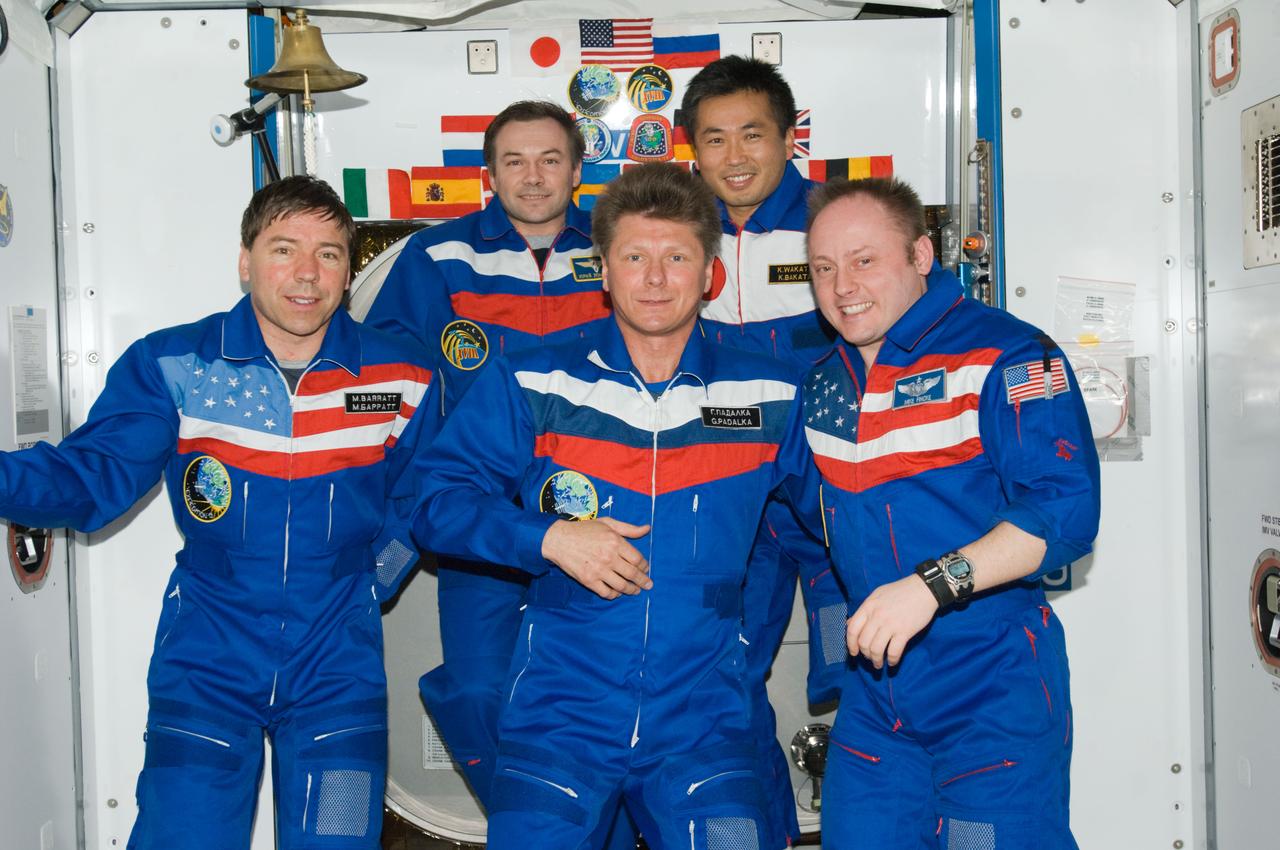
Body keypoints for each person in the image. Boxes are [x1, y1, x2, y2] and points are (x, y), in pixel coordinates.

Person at [0, 176, 435, 849]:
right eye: (284, 248)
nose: (305, 274)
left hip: (338, 663)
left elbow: (428, 498)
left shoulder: (399, 375)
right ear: (245, 261)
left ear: (349, 272)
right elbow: (91, 477)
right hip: (209, 653)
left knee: (338, 839)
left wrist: (368, 582)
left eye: (328, 254)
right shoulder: (176, 365)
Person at [407, 163, 819, 849]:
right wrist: (549, 539)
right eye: (634, 257)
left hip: (705, 725)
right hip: (559, 721)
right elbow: (435, 500)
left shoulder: (772, 392)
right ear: (602, 270)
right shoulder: (533, 378)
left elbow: (839, 524)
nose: (655, 279)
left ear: (709, 272)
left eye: (676, 257)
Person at [802, 177, 1100, 847]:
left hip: (990, 688)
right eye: (824, 268)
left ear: (921, 255)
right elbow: (804, 532)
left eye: (865, 259)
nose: (842, 284)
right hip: (876, 698)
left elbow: (1065, 511)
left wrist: (932, 586)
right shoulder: (824, 382)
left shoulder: (1006, 353)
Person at [363, 100, 613, 810]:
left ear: (576, 170)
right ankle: (539, 820)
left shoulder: (620, 249)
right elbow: (390, 385)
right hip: (478, 524)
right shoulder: (438, 257)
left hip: (600, 521)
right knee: (477, 690)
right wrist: (399, 500)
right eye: (515, 161)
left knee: (601, 699)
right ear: (488, 176)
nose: (533, 177)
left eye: (550, 159)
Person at [681, 55, 847, 844]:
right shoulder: (674, 231)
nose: (736, 156)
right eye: (715, 139)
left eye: (753, 134)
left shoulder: (838, 221)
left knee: (873, 675)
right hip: (727, 494)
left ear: (789, 138)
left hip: (838, 494)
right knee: (725, 678)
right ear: (693, 150)